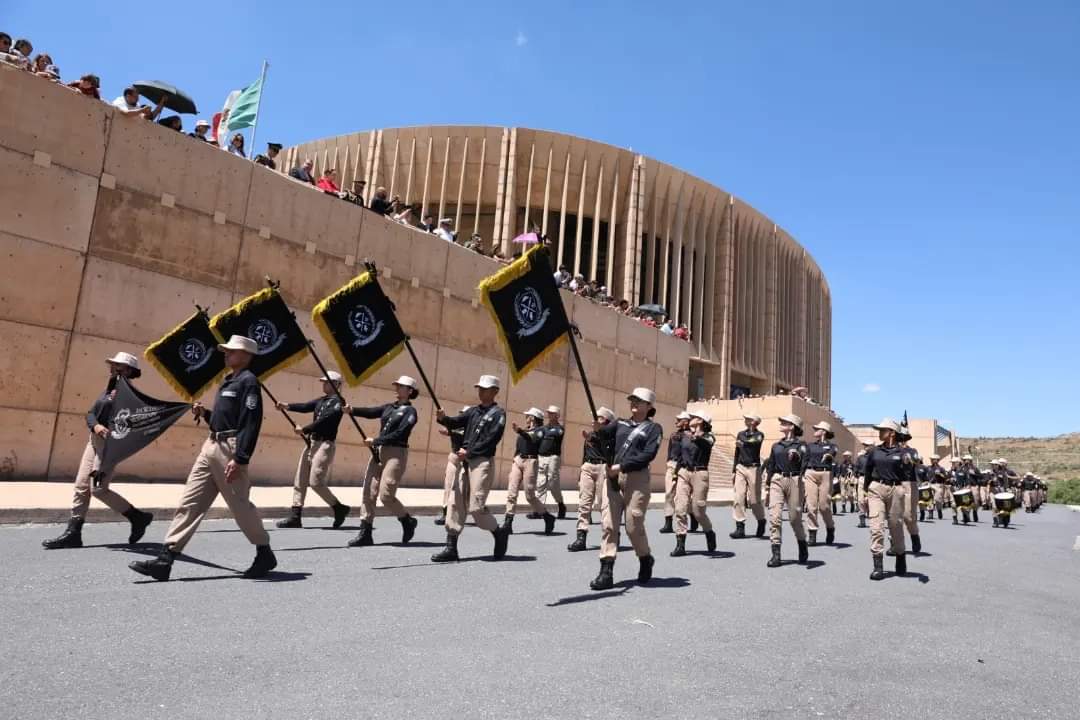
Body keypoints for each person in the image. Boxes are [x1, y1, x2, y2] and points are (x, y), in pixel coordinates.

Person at [129, 335, 276, 581]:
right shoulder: (228, 381)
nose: (226, 354)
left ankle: (264, 552)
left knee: (240, 505)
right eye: (227, 351)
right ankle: (165, 560)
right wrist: (206, 413)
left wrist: (240, 458)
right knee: (190, 502)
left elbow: (251, 422)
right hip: (210, 444)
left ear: (247, 356)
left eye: (232, 351)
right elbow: (224, 418)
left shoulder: (248, 382)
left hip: (230, 449)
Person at [41, 352, 155, 550]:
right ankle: (73, 533)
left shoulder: (130, 397)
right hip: (94, 441)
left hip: (109, 447)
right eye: (113, 365)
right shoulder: (109, 388)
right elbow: (91, 413)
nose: (113, 368)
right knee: (81, 486)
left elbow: (131, 424)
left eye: (118, 366)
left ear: (129, 370)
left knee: (98, 489)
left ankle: (137, 517)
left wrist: (113, 433)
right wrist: (96, 426)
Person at [587, 387, 662, 591]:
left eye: (639, 401)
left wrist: (621, 467)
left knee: (633, 524)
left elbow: (648, 454)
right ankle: (606, 571)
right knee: (609, 524)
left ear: (649, 406)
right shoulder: (619, 423)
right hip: (611, 476)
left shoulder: (653, 429)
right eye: (632, 400)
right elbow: (603, 435)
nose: (634, 403)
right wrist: (597, 429)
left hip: (636, 478)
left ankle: (645, 557)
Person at [432, 375, 511, 562]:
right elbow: (455, 422)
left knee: (476, 507)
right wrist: (444, 419)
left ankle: (499, 532)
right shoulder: (473, 411)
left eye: (485, 389)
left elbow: (492, 439)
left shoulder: (498, 414)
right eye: (479, 388)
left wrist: (469, 452)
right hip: (465, 460)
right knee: (455, 502)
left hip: (481, 462)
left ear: (495, 391)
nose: (481, 391)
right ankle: (451, 547)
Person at [344, 376, 421, 546]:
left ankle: (407, 520)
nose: (398, 388)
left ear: (410, 391)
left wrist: (377, 440)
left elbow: (401, 433)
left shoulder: (410, 412)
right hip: (379, 452)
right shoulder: (388, 407)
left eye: (402, 386)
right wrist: (352, 410)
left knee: (386, 495)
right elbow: (371, 412)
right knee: (368, 492)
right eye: (397, 385)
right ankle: (365, 532)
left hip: (396, 453)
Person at [272, 371, 352, 530]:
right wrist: (287, 406)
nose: (324, 384)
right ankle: (295, 516)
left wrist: (305, 429)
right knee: (300, 479)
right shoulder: (322, 400)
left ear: (336, 384)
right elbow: (305, 406)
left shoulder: (339, 402)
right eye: (323, 382)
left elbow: (325, 420)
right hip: (312, 443)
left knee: (315, 482)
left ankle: (338, 507)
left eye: (327, 382)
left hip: (325, 445)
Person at [863, 418, 908, 580]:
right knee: (876, 527)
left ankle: (900, 554)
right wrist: (864, 493)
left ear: (892, 433)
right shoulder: (875, 451)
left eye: (883, 430)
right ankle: (878, 567)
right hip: (876, 489)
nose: (880, 432)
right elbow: (868, 472)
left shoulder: (903, 453)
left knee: (895, 526)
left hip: (896, 489)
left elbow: (909, 474)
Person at [502, 408, 557, 535]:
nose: (526, 417)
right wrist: (515, 458)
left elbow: (532, 439)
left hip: (531, 462)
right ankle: (508, 522)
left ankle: (547, 517)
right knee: (512, 491)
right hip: (518, 461)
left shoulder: (540, 431)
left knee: (529, 495)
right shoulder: (525, 431)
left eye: (528, 416)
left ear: (533, 417)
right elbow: (520, 445)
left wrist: (520, 431)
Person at [763, 414, 809, 567]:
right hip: (777, 480)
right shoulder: (776, 446)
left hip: (794, 480)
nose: (781, 424)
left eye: (785, 422)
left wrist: (797, 456)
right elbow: (771, 466)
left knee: (795, 518)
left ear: (792, 426)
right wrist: (768, 485)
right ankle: (776, 555)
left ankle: (802, 544)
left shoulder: (801, 445)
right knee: (775, 517)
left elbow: (805, 461)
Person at [567, 407, 615, 552]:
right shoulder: (591, 434)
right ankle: (581, 537)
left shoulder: (610, 436)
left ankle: (610, 535)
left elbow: (607, 447)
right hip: (588, 467)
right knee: (584, 503)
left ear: (606, 420)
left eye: (598, 417)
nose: (594, 420)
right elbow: (584, 454)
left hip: (602, 468)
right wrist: (580, 474)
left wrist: (596, 435)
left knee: (603, 504)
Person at [671, 410, 717, 556]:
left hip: (700, 473)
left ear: (702, 421)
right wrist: (675, 472)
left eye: (695, 417)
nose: (691, 419)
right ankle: (680, 544)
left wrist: (696, 437)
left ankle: (709, 532)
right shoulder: (684, 436)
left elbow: (708, 443)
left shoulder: (709, 437)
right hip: (684, 472)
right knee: (680, 507)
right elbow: (679, 455)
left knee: (698, 510)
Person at [730, 412, 766, 539]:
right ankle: (740, 527)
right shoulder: (741, 434)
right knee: (738, 497)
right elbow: (737, 452)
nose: (746, 421)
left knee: (754, 500)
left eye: (748, 419)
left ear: (754, 422)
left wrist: (743, 443)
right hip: (741, 466)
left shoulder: (759, 435)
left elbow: (754, 442)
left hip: (754, 468)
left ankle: (761, 520)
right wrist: (734, 470)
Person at [802, 421, 838, 546]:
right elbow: (805, 460)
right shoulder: (810, 446)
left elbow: (833, 453)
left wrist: (829, 455)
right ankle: (812, 533)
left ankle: (830, 527)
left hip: (825, 474)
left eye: (817, 429)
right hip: (810, 473)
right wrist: (802, 475)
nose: (814, 430)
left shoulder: (832, 446)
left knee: (824, 506)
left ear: (824, 431)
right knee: (811, 505)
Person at [434, 406, 469, 526]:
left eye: (464, 414)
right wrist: (445, 427)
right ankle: (445, 513)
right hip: (454, 457)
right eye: (461, 413)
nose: (461, 416)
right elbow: (448, 425)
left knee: (463, 489)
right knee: (448, 485)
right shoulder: (455, 425)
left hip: (466, 460)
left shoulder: (471, 428)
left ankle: (462, 512)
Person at [658, 411, 689, 534]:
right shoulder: (673, 435)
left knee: (684, 496)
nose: (676, 422)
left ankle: (692, 517)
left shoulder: (690, 436)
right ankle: (668, 522)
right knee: (669, 493)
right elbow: (670, 449)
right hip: (673, 464)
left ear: (686, 421)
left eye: (679, 419)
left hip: (684, 467)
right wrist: (668, 462)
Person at [535, 405, 567, 518]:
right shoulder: (545, 427)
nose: (549, 414)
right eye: (549, 412)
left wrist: (543, 433)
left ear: (557, 415)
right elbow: (537, 435)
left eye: (552, 413)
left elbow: (555, 433)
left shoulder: (560, 428)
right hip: (542, 457)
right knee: (540, 483)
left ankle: (561, 504)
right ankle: (539, 510)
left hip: (553, 457)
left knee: (553, 484)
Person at [895, 425, 922, 554]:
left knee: (908, 516)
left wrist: (910, 460)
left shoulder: (912, 451)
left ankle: (914, 535)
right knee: (893, 516)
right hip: (894, 483)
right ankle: (894, 544)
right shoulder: (892, 450)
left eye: (903, 437)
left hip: (909, 483)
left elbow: (916, 460)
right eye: (899, 437)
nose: (901, 440)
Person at [854, 440, 873, 528]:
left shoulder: (875, 457)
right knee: (861, 500)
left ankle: (873, 519)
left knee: (871, 500)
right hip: (862, 478)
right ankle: (862, 520)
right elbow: (856, 468)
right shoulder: (861, 458)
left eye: (867, 445)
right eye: (865, 445)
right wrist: (856, 475)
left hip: (873, 480)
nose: (865, 446)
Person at [927, 454, 946, 520]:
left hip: (938, 485)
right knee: (930, 499)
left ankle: (939, 510)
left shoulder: (941, 468)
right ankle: (930, 513)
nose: (931, 460)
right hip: (930, 484)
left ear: (937, 460)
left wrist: (940, 474)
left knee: (938, 499)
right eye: (931, 459)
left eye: (932, 459)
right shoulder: (928, 467)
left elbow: (945, 477)